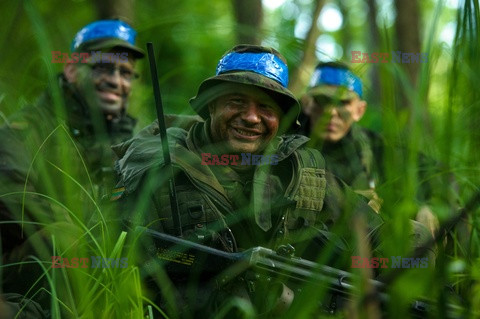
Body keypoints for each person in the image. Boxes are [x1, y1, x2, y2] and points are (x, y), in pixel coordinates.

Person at [112, 45, 385, 317]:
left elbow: (373, 233)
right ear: (211, 105)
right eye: (237, 102)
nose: (252, 118)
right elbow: (109, 256)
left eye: (266, 107)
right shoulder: (158, 167)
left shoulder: (302, 170)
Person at [0, 19, 144, 317]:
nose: (116, 81)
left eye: (126, 73)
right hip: (29, 265)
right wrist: (90, 233)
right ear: (70, 70)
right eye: (104, 68)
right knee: (64, 238)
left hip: (103, 266)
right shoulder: (26, 129)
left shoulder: (133, 144)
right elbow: (13, 197)